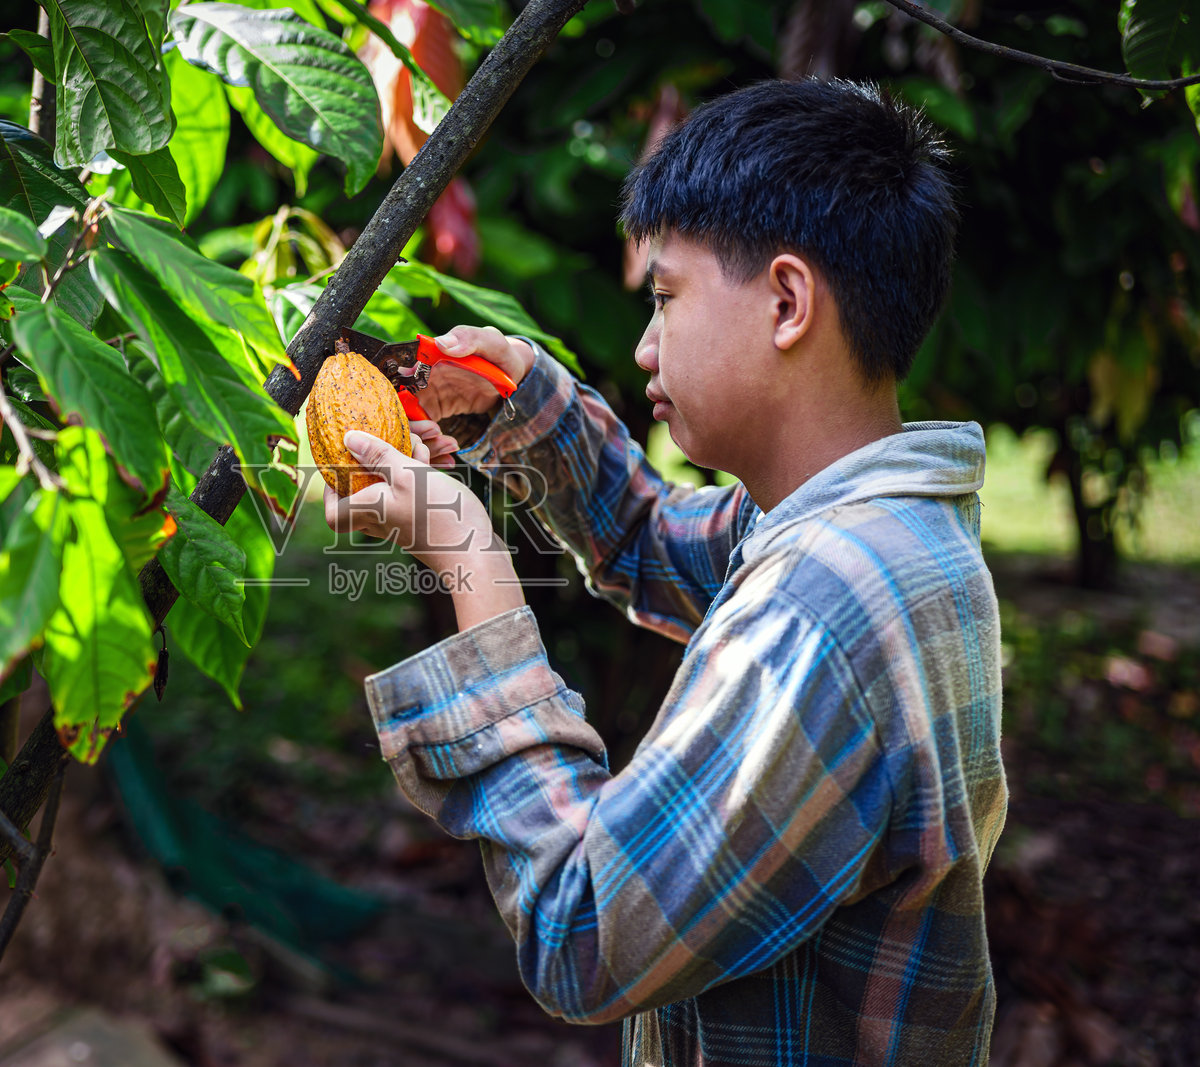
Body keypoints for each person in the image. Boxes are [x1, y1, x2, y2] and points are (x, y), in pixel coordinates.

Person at [322, 78, 1007, 1065]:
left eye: (666, 298)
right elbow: (647, 539)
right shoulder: (883, 533)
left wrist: (470, 559)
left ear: (785, 301)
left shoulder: (822, 610)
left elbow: (583, 930)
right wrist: (513, 400)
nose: (644, 344)